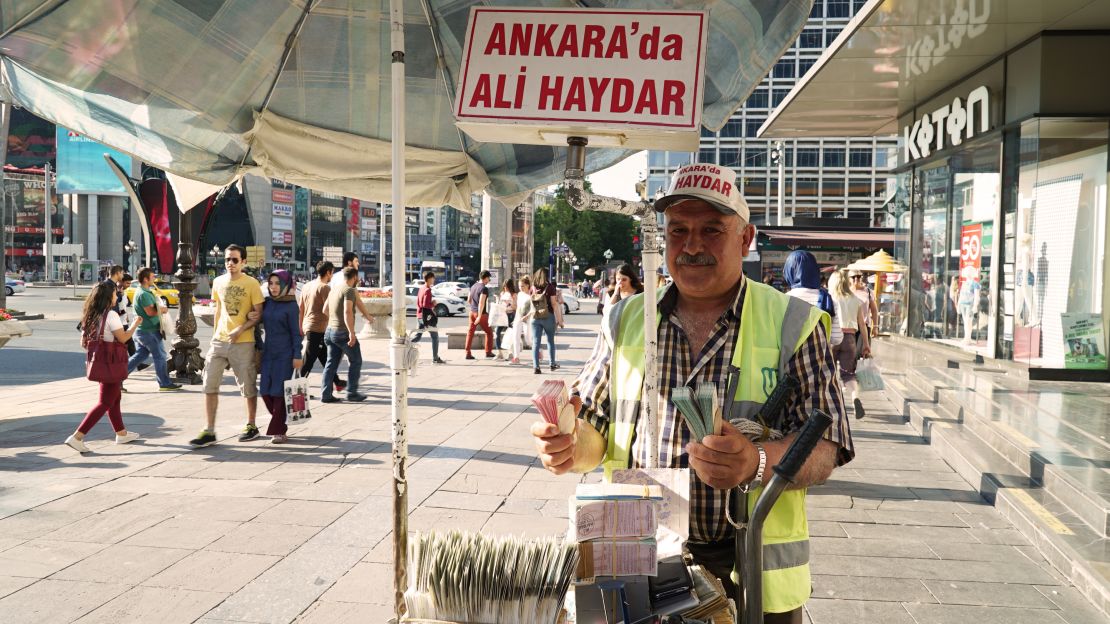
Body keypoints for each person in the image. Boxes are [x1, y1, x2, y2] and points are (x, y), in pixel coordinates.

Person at [531, 163, 853, 623]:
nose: (693, 245)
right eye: (679, 230)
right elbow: (596, 429)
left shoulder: (794, 324)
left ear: (746, 239)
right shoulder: (625, 318)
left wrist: (756, 463)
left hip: (748, 570)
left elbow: (827, 445)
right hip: (635, 552)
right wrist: (567, 445)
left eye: (712, 229)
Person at [191, 244, 265, 448]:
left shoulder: (251, 284)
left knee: (247, 385)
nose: (230, 263)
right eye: (226, 260)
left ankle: (251, 425)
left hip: (243, 341)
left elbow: (259, 314)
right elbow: (218, 310)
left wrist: (241, 328)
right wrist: (215, 334)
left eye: (234, 260)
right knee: (209, 383)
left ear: (243, 262)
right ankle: (209, 429)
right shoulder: (218, 282)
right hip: (219, 340)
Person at [65, 281, 143, 452]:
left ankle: (121, 433)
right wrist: (135, 324)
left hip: (100, 362)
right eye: (115, 293)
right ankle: (77, 436)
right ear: (108, 297)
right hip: (111, 363)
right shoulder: (111, 315)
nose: (117, 295)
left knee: (114, 398)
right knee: (105, 401)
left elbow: (83, 342)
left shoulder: (91, 315)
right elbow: (123, 338)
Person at [260, 270, 302, 444]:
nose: (274, 287)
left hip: (285, 355)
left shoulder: (291, 306)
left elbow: (296, 333)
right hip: (268, 353)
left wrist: (297, 354)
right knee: (264, 391)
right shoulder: (267, 303)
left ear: (285, 285)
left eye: (278, 283)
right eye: (271, 283)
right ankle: (280, 421)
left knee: (278, 393)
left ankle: (279, 430)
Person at [125, 268, 182, 391]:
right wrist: (163, 309)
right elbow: (150, 312)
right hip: (149, 331)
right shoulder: (144, 294)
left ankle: (118, 377)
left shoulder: (143, 291)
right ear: (145, 279)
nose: (154, 279)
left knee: (140, 355)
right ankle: (164, 383)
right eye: (152, 277)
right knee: (160, 356)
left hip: (142, 330)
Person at [299, 261, 347, 392]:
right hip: (317, 327)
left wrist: (301, 326)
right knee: (308, 361)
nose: (332, 276)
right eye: (332, 272)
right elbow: (330, 309)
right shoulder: (325, 287)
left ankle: (337, 382)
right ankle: (297, 389)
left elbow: (301, 308)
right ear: (328, 272)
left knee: (325, 357)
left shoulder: (307, 285)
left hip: (308, 325)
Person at [829, 270, 870, 419]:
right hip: (850, 339)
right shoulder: (855, 300)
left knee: (829, 372)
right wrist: (866, 344)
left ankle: (834, 403)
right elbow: (863, 325)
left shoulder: (831, 298)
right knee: (848, 375)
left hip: (833, 337)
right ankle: (854, 397)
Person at [321, 267, 366, 403]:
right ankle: (352, 392)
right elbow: (347, 312)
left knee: (330, 364)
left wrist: (335, 320)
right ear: (355, 277)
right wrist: (351, 333)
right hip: (342, 333)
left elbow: (325, 310)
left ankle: (326, 395)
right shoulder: (349, 290)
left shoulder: (334, 289)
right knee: (356, 360)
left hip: (330, 331)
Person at [783, 251, 843, 348]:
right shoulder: (829, 301)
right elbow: (836, 339)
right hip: (819, 361)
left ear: (789, 272)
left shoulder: (783, 300)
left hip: (788, 361)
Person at [530, 268, 563, 374]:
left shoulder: (533, 288)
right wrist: (559, 320)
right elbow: (554, 304)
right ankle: (552, 363)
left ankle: (536, 366)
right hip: (548, 316)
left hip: (535, 317)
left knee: (536, 342)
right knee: (550, 341)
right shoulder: (550, 287)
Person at [331, 252, 376, 327]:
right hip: (344, 323)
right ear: (349, 262)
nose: (358, 264)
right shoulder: (349, 278)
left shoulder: (334, 276)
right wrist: (368, 316)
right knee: (351, 338)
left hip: (333, 321)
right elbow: (358, 301)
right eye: (356, 261)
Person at [413, 270, 446, 364]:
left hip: (419, 316)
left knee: (418, 336)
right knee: (435, 337)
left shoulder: (421, 288)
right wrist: (433, 303)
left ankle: (405, 346)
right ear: (429, 279)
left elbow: (419, 303)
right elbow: (425, 305)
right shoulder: (427, 290)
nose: (434, 279)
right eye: (433, 278)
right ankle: (435, 358)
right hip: (427, 318)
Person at [464, 270, 495, 360]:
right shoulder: (484, 288)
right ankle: (488, 352)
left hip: (472, 312)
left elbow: (469, 300)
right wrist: (479, 316)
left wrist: (473, 308)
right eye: (489, 278)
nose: (489, 280)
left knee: (470, 333)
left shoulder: (473, 286)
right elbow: (481, 303)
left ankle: (467, 353)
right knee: (489, 332)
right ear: (485, 278)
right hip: (481, 314)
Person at [507, 275, 533, 366]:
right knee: (515, 337)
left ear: (528, 285)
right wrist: (516, 319)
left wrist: (527, 316)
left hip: (528, 319)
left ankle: (538, 351)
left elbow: (533, 309)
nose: (520, 288)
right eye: (519, 286)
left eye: (522, 286)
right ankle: (516, 357)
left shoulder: (531, 295)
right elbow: (518, 308)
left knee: (528, 340)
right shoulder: (520, 294)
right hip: (518, 317)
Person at [849, 269, 879, 339]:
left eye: (859, 276)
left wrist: (875, 326)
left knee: (861, 349)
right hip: (849, 327)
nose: (856, 279)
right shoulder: (847, 292)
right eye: (853, 277)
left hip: (864, 326)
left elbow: (874, 310)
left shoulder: (868, 292)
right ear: (848, 279)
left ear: (861, 277)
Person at [494, 278, 518, 360]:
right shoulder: (502, 293)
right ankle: (499, 352)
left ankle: (510, 352)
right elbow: (500, 304)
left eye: (507, 287)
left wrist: (509, 304)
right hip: (502, 315)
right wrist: (498, 300)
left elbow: (516, 307)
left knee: (510, 335)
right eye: (504, 287)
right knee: (497, 332)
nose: (506, 288)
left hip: (511, 315)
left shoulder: (514, 295)